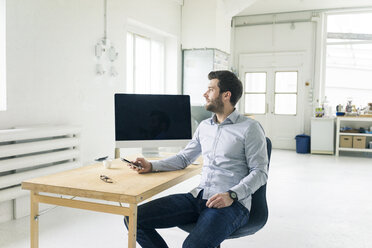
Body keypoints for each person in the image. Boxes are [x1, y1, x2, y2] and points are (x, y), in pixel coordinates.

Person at [125, 70, 268, 248]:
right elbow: (184, 158)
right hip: (198, 196)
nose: (205, 94)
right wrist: (152, 166)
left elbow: (260, 172)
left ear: (226, 95)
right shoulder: (204, 126)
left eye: (210, 89)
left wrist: (232, 194)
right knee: (134, 218)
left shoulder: (250, 128)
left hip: (231, 203)